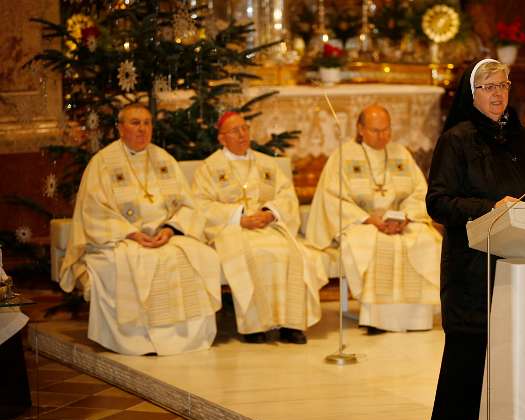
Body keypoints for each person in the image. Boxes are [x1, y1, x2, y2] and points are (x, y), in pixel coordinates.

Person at [426, 59, 525, 420]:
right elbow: (438, 202)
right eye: (488, 87)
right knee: (471, 348)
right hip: (473, 264)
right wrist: (491, 208)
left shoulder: (522, 137)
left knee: (514, 348)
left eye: (503, 85)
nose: (498, 94)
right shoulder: (456, 140)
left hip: (518, 259)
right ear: (472, 93)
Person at [59, 103, 222, 356]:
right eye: (135, 123)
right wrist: (132, 233)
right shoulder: (102, 163)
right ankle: (138, 340)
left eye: (147, 123)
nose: (142, 129)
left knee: (195, 256)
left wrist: (169, 229)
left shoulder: (164, 159)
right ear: (120, 128)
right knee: (134, 260)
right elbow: (94, 211)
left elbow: (189, 205)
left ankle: (183, 338)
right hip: (120, 238)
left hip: (165, 236)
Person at [191, 112, 327, 344]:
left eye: (245, 128)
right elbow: (200, 205)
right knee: (251, 253)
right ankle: (254, 326)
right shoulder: (209, 168)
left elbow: (287, 196)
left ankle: (291, 324)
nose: (242, 134)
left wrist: (270, 213)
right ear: (222, 138)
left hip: (270, 228)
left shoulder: (267, 163)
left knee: (290, 253)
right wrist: (239, 218)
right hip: (232, 230)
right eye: (235, 131)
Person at [305, 104, 441, 334]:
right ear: (360, 129)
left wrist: (405, 217)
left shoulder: (400, 153)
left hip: (400, 223)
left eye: (386, 129)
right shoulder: (343, 155)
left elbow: (419, 192)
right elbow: (332, 198)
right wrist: (368, 219)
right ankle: (375, 319)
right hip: (362, 224)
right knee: (372, 244)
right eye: (376, 130)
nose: (383, 136)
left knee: (426, 240)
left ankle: (417, 319)